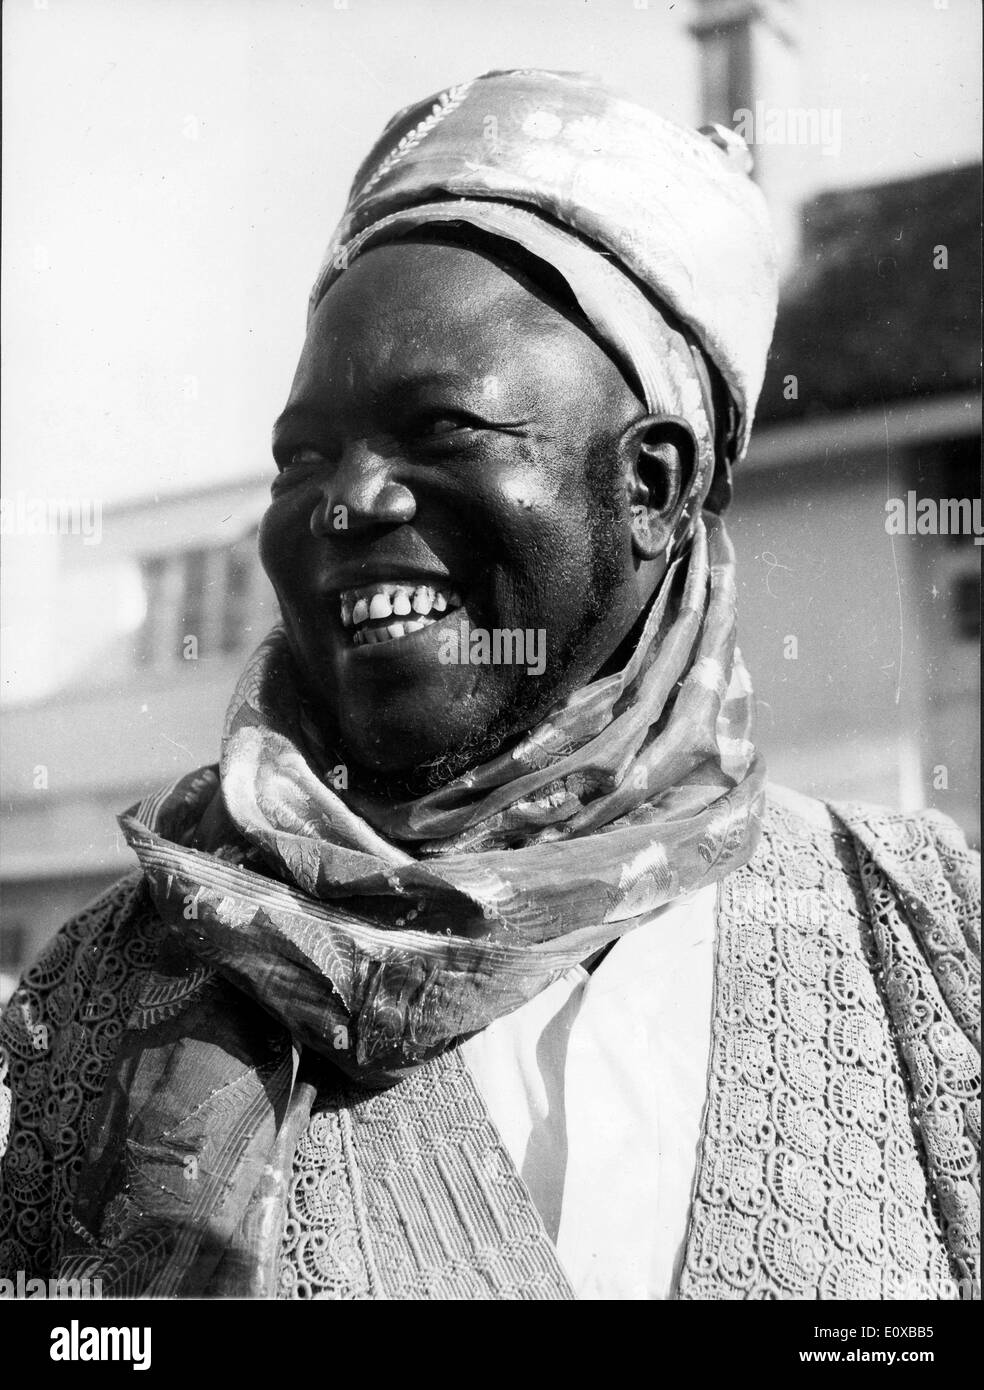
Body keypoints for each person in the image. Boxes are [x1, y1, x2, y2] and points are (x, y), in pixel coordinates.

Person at [0, 69, 978, 1302]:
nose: (348, 499)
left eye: (444, 427)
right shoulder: (96, 1003)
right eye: (303, 454)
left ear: (657, 485)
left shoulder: (931, 949)